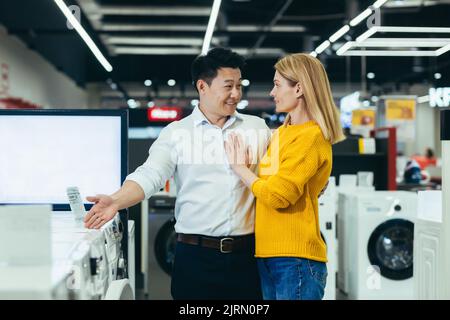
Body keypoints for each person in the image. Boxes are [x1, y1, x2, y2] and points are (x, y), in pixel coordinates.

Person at [83, 47, 271, 300]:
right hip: (195, 258)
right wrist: (116, 200)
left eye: (239, 85)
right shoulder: (177, 133)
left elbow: (278, 177)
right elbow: (150, 174)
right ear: (202, 87)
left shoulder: (257, 128)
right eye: (228, 86)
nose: (236, 94)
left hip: (249, 256)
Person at [224, 53, 345, 300]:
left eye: (277, 84)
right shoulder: (281, 134)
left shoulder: (311, 137)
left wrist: (241, 169)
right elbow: (271, 185)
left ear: (299, 88)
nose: (271, 92)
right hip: (269, 255)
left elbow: (279, 196)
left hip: (296, 259)